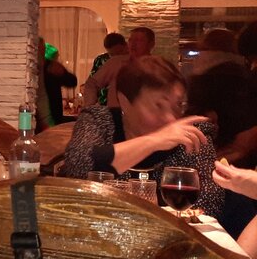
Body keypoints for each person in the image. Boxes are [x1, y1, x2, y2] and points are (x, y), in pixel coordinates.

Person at [61, 56, 223, 216]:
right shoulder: (99, 120)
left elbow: (210, 202)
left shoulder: (191, 133)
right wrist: (154, 141)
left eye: (179, 105)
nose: (171, 118)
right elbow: (78, 168)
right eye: (158, 106)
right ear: (125, 102)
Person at [82, 26, 154, 107]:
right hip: (116, 111)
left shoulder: (157, 67)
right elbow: (92, 83)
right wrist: (90, 105)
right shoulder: (116, 62)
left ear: (151, 44)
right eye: (131, 40)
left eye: (138, 40)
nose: (133, 44)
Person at [41, 42, 77, 127]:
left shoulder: (52, 66)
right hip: (48, 114)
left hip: (53, 115)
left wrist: (62, 73)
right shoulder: (37, 67)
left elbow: (72, 82)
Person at [88, 32, 128, 107]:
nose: (116, 57)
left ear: (126, 45)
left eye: (119, 52)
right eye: (112, 54)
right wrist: (91, 104)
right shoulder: (101, 60)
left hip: (127, 104)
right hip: (105, 104)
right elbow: (92, 83)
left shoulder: (133, 60)